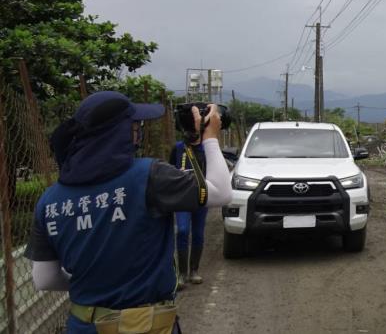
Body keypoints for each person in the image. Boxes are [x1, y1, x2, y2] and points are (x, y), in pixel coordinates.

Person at [25, 91, 233, 333]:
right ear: (119, 132)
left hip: (83, 325)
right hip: (146, 325)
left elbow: (44, 278)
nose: (138, 132)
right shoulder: (149, 175)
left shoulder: (49, 201)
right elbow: (221, 193)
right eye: (135, 127)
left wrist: (96, 283)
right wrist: (210, 138)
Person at [170, 138, 209, 287]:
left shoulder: (207, 148)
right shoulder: (179, 148)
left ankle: (194, 270)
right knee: (182, 230)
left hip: (201, 197)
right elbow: (170, 169)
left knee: (198, 234)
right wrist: (176, 173)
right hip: (183, 196)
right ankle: (182, 273)